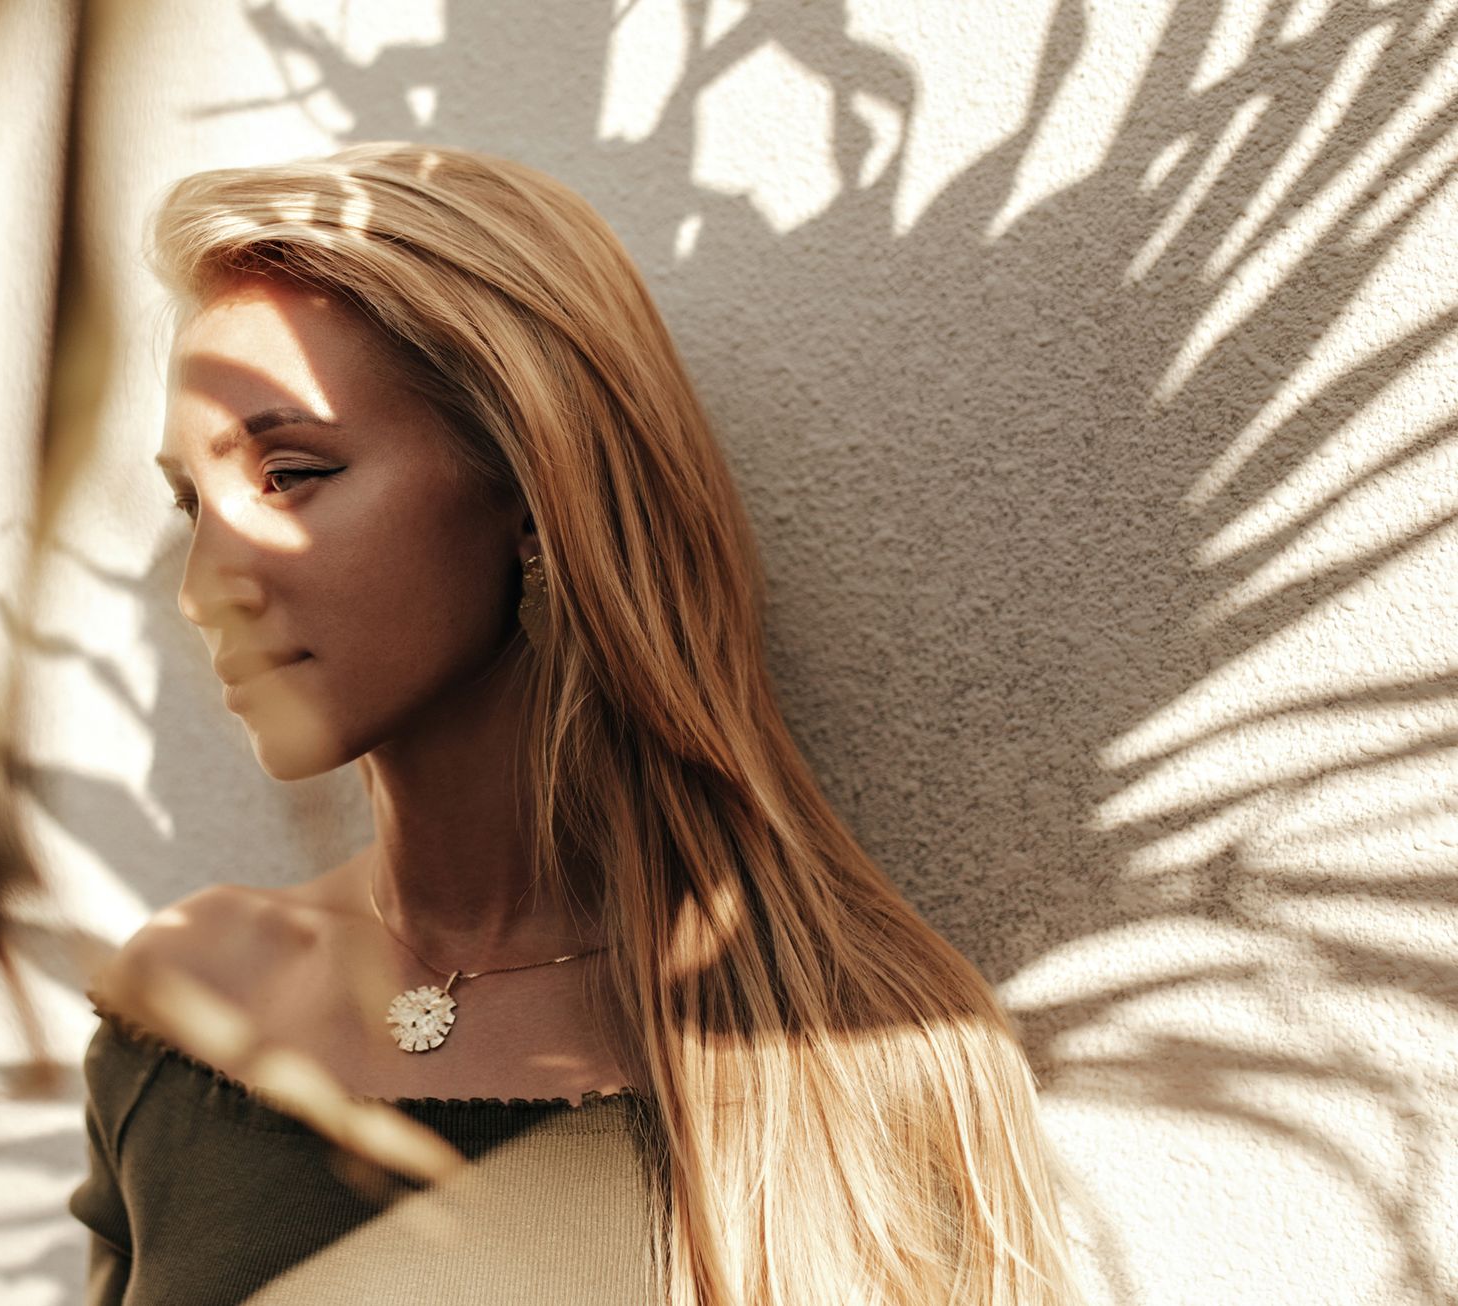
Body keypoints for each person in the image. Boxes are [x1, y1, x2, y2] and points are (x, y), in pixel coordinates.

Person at [68, 141, 1089, 1306]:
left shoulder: (854, 1056)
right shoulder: (183, 1012)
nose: (206, 583)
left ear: (530, 483)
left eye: (290, 473)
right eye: (190, 502)